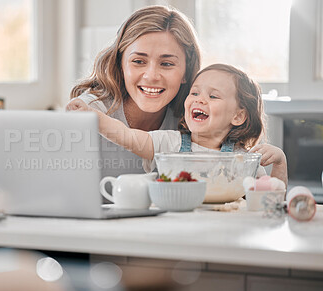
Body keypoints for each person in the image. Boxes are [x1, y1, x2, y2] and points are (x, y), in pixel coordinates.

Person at [67, 63, 288, 185]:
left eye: (213, 96)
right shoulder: (169, 143)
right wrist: (93, 117)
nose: (199, 99)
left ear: (238, 116)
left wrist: (279, 163)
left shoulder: (244, 159)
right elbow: (127, 136)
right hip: (168, 231)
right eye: (194, 93)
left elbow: (272, 202)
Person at [68, 5, 201, 177]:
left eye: (167, 64)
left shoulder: (191, 119)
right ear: (120, 64)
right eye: (138, 61)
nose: (151, 76)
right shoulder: (88, 113)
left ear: (186, 72)